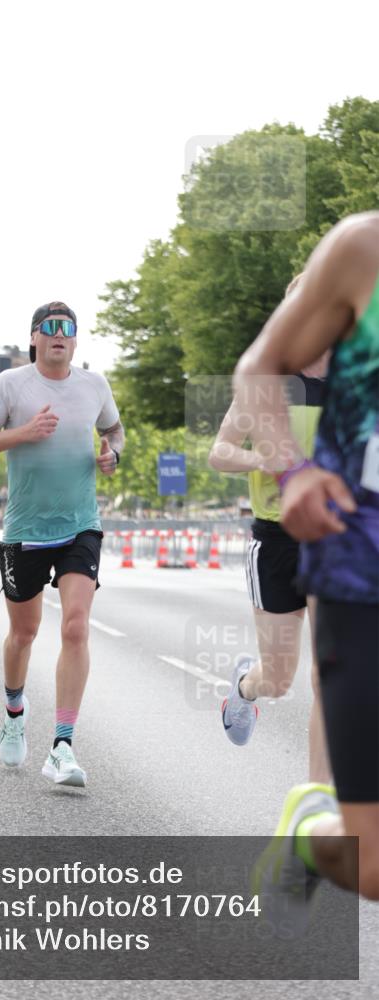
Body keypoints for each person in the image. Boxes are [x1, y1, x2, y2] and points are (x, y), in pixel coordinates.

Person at [232, 212, 379, 920]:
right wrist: (290, 472)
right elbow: (258, 367)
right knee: (368, 859)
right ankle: (310, 831)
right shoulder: (362, 248)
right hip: (360, 551)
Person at [0, 301, 124, 787]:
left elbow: (113, 427)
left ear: (76, 339)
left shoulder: (94, 385)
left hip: (81, 525)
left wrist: (112, 451)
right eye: (50, 328)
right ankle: (14, 710)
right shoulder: (9, 386)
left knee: (75, 627)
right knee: (24, 635)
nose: (59, 335)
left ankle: (62, 746)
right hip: (26, 530)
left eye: (67, 329)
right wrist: (24, 433)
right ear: (34, 337)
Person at [209, 275, 330, 783]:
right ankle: (244, 689)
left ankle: (319, 807)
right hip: (276, 540)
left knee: (329, 676)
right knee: (279, 680)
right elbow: (219, 452)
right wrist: (263, 456)